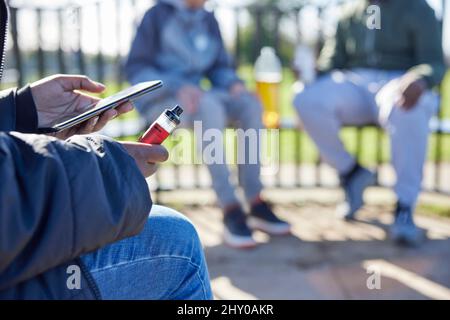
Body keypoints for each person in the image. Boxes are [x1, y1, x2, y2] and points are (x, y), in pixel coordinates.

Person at [0, 0, 211, 300]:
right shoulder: (158, 16)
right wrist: (109, 169)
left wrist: (19, 112)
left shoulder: (208, 19)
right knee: (178, 245)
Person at [125, 0, 291, 249]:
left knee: (250, 104)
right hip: (163, 100)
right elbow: (136, 69)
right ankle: (230, 207)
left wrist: (233, 83)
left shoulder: (208, 20)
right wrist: (178, 85)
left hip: (201, 96)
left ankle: (255, 200)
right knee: (209, 106)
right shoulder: (156, 15)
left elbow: (219, 68)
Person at [293, 0, 446, 246]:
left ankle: (405, 205)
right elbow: (333, 60)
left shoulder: (419, 9)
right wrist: (311, 71)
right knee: (305, 99)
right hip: (354, 82)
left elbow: (434, 62)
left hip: (399, 81)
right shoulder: (348, 11)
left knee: (408, 108)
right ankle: (352, 173)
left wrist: (420, 78)